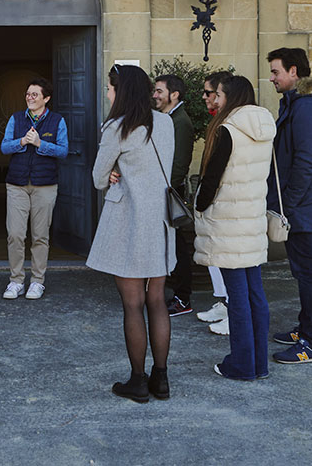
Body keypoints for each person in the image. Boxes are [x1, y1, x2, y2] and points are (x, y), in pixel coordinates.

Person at [87, 65, 175, 403]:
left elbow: (98, 178)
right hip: (160, 222)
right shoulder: (165, 123)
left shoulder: (117, 128)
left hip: (129, 222)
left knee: (133, 304)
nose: (108, 93)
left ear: (120, 90)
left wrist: (113, 170)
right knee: (157, 301)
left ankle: (138, 381)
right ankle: (161, 379)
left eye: (110, 88)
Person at [194, 75, 276, 381]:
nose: (216, 100)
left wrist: (199, 206)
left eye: (219, 95)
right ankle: (259, 364)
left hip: (228, 222)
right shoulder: (264, 127)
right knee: (255, 294)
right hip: (251, 219)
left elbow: (212, 179)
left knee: (238, 298)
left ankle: (242, 365)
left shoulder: (228, 130)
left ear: (232, 97)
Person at [267, 47, 312, 364]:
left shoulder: (308, 107)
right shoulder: (299, 104)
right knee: (303, 270)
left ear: (293, 71)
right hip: (301, 205)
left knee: (308, 272)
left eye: (276, 71)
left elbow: (306, 162)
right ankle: (305, 328)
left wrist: (288, 204)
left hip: (302, 206)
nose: (272, 78)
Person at [0, 78, 69, 300]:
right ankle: (16, 280)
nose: (29, 98)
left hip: (45, 185)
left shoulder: (57, 121)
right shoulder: (16, 118)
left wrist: (40, 143)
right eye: (28, 94)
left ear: (46, 98)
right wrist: (22, 142)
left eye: (35, 94)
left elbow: (63, 151)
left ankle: (37, 281)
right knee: (15, 234)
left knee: (40, 236)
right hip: (17, 184)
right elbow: (4, 147)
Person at [153, 73, 195, 316]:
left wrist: (164, 189)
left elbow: (179, 164)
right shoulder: (166, 118)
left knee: (177, 246)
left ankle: (182, 298)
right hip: (162, 189)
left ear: (174, 94)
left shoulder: (181, 122)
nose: (155, 95)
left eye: (159, 91)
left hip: (170, 192)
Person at [196, 70, 233, 335]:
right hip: (213, 203)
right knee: (214, 258)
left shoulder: (228, 126)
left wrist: (203, 199)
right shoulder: (217, 121)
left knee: (227, 260)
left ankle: (233, 309)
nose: (206, 97)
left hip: (225, 204)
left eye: (210, 92)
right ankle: (223, 302)